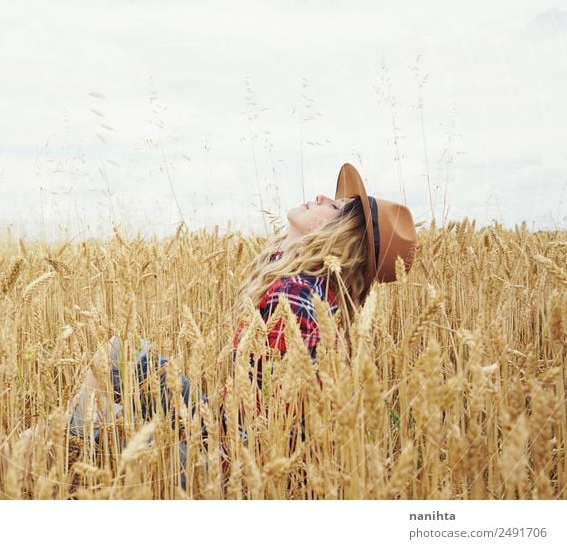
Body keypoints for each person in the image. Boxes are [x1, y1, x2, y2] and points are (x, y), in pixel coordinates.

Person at [65, 162, 417, 488]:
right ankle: (77, 453)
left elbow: (268, 435)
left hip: (229, 468)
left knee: (72, 430)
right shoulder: (302, 283)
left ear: (342, 235)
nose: (323, 197)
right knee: (116, 356)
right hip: (224, 428)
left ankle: (70, 463)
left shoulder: (295, 298)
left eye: (337, 207)